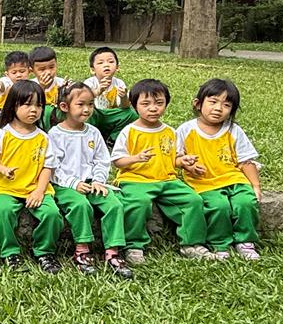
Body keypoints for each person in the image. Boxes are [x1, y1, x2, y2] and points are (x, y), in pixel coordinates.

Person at [111, 79, 214, 264]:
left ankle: (191, 244)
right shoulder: (129, 131)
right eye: (146, 104)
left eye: (159, 103)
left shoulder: (170, 132)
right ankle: (134, 245)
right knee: (138, 203)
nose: (153, 108)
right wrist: (136, 158)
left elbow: (173, 158)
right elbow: (118, 161)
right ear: (134, 105)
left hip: (167, 180)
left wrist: (184, 162)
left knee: (193, 200)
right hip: (136, 180)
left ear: (166, 104)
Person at [47, 82, 132, 279]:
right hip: (64, 185)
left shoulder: (93, 132)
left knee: (114, 205)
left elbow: (102, 160)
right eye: (81, 104)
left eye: (91, 104)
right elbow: (52, 167)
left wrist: (99, 180)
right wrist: (73, 183)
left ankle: (112, 252)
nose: (87, 109)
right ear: (64, 107)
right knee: (80, 205)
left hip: (92, 183)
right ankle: (82, 250)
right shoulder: (55, 134)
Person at [0, 80, 63, 273]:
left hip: (35, 187)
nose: (34, 110)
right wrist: (2, 169)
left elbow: (48, 167)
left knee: (52, 214)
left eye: (39, 105)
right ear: (13, 106)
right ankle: (10, 253)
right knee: (3, 212)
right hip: (5, 188)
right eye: (27, 104)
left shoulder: (43, 137)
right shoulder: (2, 134)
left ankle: (45, 252)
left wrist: (39, 191)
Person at [176, 79, 262, 260]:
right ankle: (220, 244)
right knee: (218, 206)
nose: (218, 108)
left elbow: (246, 161)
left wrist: (255, 186)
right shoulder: (186, 130)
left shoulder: (233, 130)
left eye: (226, 105)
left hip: (234, 179)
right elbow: (174, 158)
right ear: (198, 104)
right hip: (203, 183)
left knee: (246, 203)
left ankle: (245, 241)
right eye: (213, 102)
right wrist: (186, 163)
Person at [83, 46, 137, 141]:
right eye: (100, 63)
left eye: (111, 62)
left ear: (117, 67)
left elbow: (124, 107)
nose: (106, 65)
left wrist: (124, 97)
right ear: (92, 70)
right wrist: (98, 90)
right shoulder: (90, 82)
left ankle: (113, 138)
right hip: (96, 114)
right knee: (87, 112)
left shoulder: (119, 83)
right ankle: (89, 138)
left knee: (131, 114)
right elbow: (83, 99)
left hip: (112, 115)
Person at [0, 51, 30, 129]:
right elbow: (2, 85)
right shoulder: (7, 81)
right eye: (14, 73)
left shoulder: (31, 84)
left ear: (29, 70)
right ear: (7, 74)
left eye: (22, 71)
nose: (18, 75)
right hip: (2, 111)